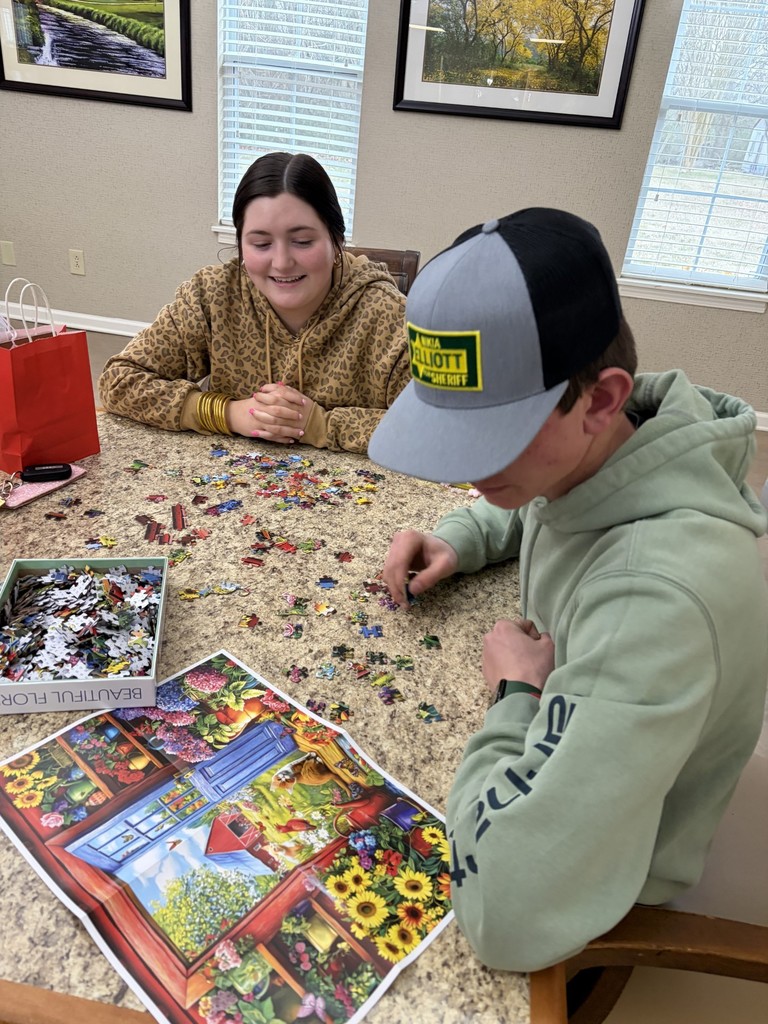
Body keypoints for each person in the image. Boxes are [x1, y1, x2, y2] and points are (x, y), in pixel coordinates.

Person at [367, 208, 768, 972]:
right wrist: (467, 532)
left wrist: (515, 694)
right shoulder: (626, 445)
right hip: (598, 783)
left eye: (495, 435)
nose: (467, 465)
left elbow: (509, 918)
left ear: (602, 397)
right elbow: (567, 500)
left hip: (603, 913)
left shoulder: (655, 599)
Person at [99, 152, 411, 453]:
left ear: (337, 240)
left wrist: (320, 425)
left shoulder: (389, 317)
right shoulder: (211, 296)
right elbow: (119, 381)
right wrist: (229, 414)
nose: (282, 262)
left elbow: (440, 433)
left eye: (302, 241)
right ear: (241, 245)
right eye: (261, 243)